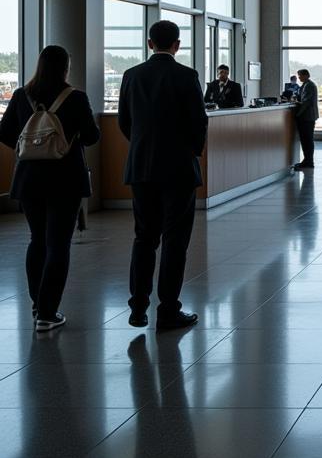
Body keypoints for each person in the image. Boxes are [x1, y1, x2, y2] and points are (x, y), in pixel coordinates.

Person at [0, 46, 100, 333]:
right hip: (65, 180)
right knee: (58, 243)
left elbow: (5, 133)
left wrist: (31, 147)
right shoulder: (75, 97)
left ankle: (37, 305)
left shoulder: (21, 95)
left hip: (29, 179)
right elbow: (92, 137)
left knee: (37, 240)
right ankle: (47, 312)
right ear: (65, 67)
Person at [118, 20, 208, 331]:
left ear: (149, 43)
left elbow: (124, 122)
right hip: (178, 169)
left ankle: (137, 308)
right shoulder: (186, 76)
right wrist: (191, 151)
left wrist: (143, 147)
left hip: (141, 168)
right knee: (174, 241)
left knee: (144, 237)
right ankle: (168, 309)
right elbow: (199, 122)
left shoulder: (131, 76)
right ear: (177, 45)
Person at [293, 68, 319, 169]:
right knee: (305, 140)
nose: (299, 78)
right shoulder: (305, 85)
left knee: (307, 139)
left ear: (306, 75)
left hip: (307, 117)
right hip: (307, 117)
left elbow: (306, 102)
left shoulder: (309, 86)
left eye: (300, 76)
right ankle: (307, 160)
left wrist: (298, 114)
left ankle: (309, 161)